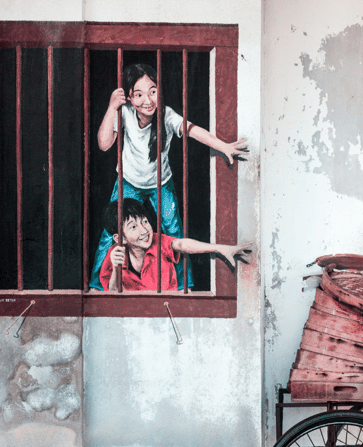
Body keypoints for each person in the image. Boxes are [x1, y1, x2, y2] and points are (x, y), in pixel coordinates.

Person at [89, 62, 249, 291]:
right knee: (111, 233)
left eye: (153, 91)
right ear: (130, 99)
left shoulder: (166, 115)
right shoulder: (124, 113)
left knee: (173, 233)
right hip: (128, 182)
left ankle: (185, 286)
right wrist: (112, 106)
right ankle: (98, 286)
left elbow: (193, 130)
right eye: (139, 94)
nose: (148, 100)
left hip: (160, 183)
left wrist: (223, 146)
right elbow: (104, 145)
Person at [99, 199, 251, 292]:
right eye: (133, 227)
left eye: (144, 221)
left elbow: (181, 243)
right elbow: (112, 291)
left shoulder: (158, 241)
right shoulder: (114, 254)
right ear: (120, 238)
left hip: (167, 310)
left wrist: (221, 248)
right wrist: (116, 267)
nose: (144, 230)